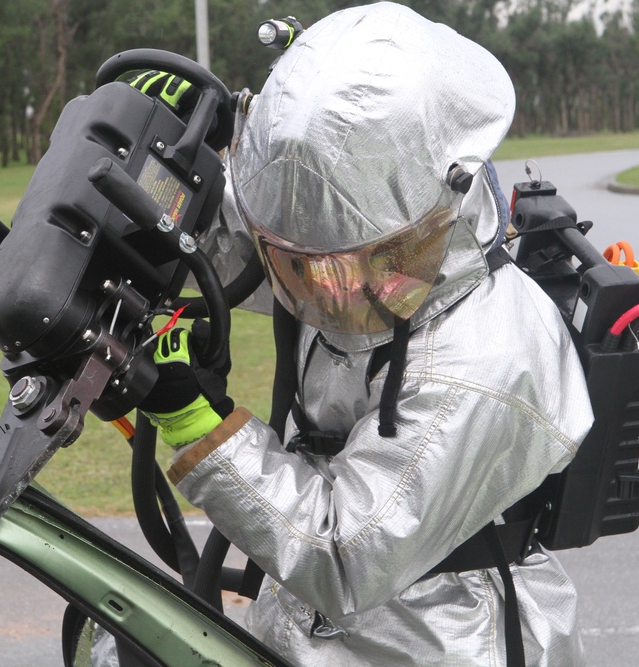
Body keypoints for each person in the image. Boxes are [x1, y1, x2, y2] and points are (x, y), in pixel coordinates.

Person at [138, 3, 595, 665]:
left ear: (443, 203)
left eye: (344, 263)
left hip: (440, 643)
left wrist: (200, 428)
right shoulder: (371, 254)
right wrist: (162, 156)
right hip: (308, 630)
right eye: (298, 263)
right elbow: (229, 244)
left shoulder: (483, 358)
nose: (322, 291)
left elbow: (340, 554)